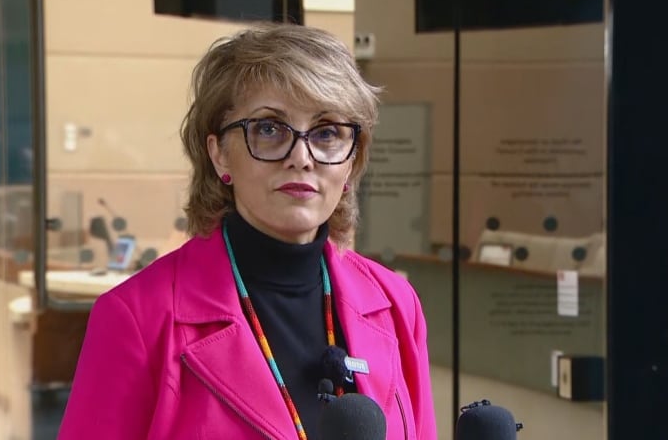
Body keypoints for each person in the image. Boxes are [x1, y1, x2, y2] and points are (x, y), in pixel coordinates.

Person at [58, 23, 437, 440]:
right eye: (270, 129)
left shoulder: (396, 304)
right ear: (219, 153)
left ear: (352, 159)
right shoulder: (138, 319)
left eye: (327, 131)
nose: (301, 156)